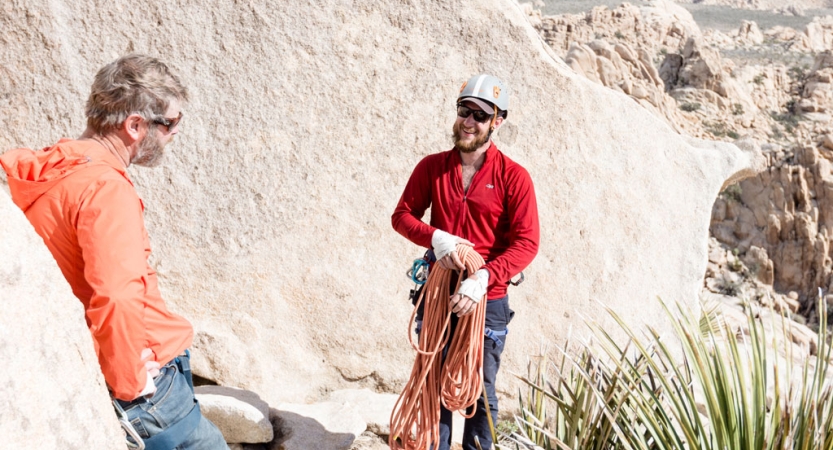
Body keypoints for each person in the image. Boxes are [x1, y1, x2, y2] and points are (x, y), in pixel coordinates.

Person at [0, 54, 228, 450]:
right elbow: (117, 294)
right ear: (135, 125)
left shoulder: (51, 168)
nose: (175, 133)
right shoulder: (105, 189)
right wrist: (130, 381)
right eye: (171, 123)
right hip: (150, 391)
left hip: (101, 369)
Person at [391, 74, 540, 450]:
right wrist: (436, 238)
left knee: (479, 395)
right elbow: (402, 215)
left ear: (497, 122)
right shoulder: (432, 167)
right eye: (464, 111)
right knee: (432, 386)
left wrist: (484, 277)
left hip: (486, 302)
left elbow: (527, 243)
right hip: (438, 293)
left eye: (480, 115)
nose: (469, 122)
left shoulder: (514, 178)